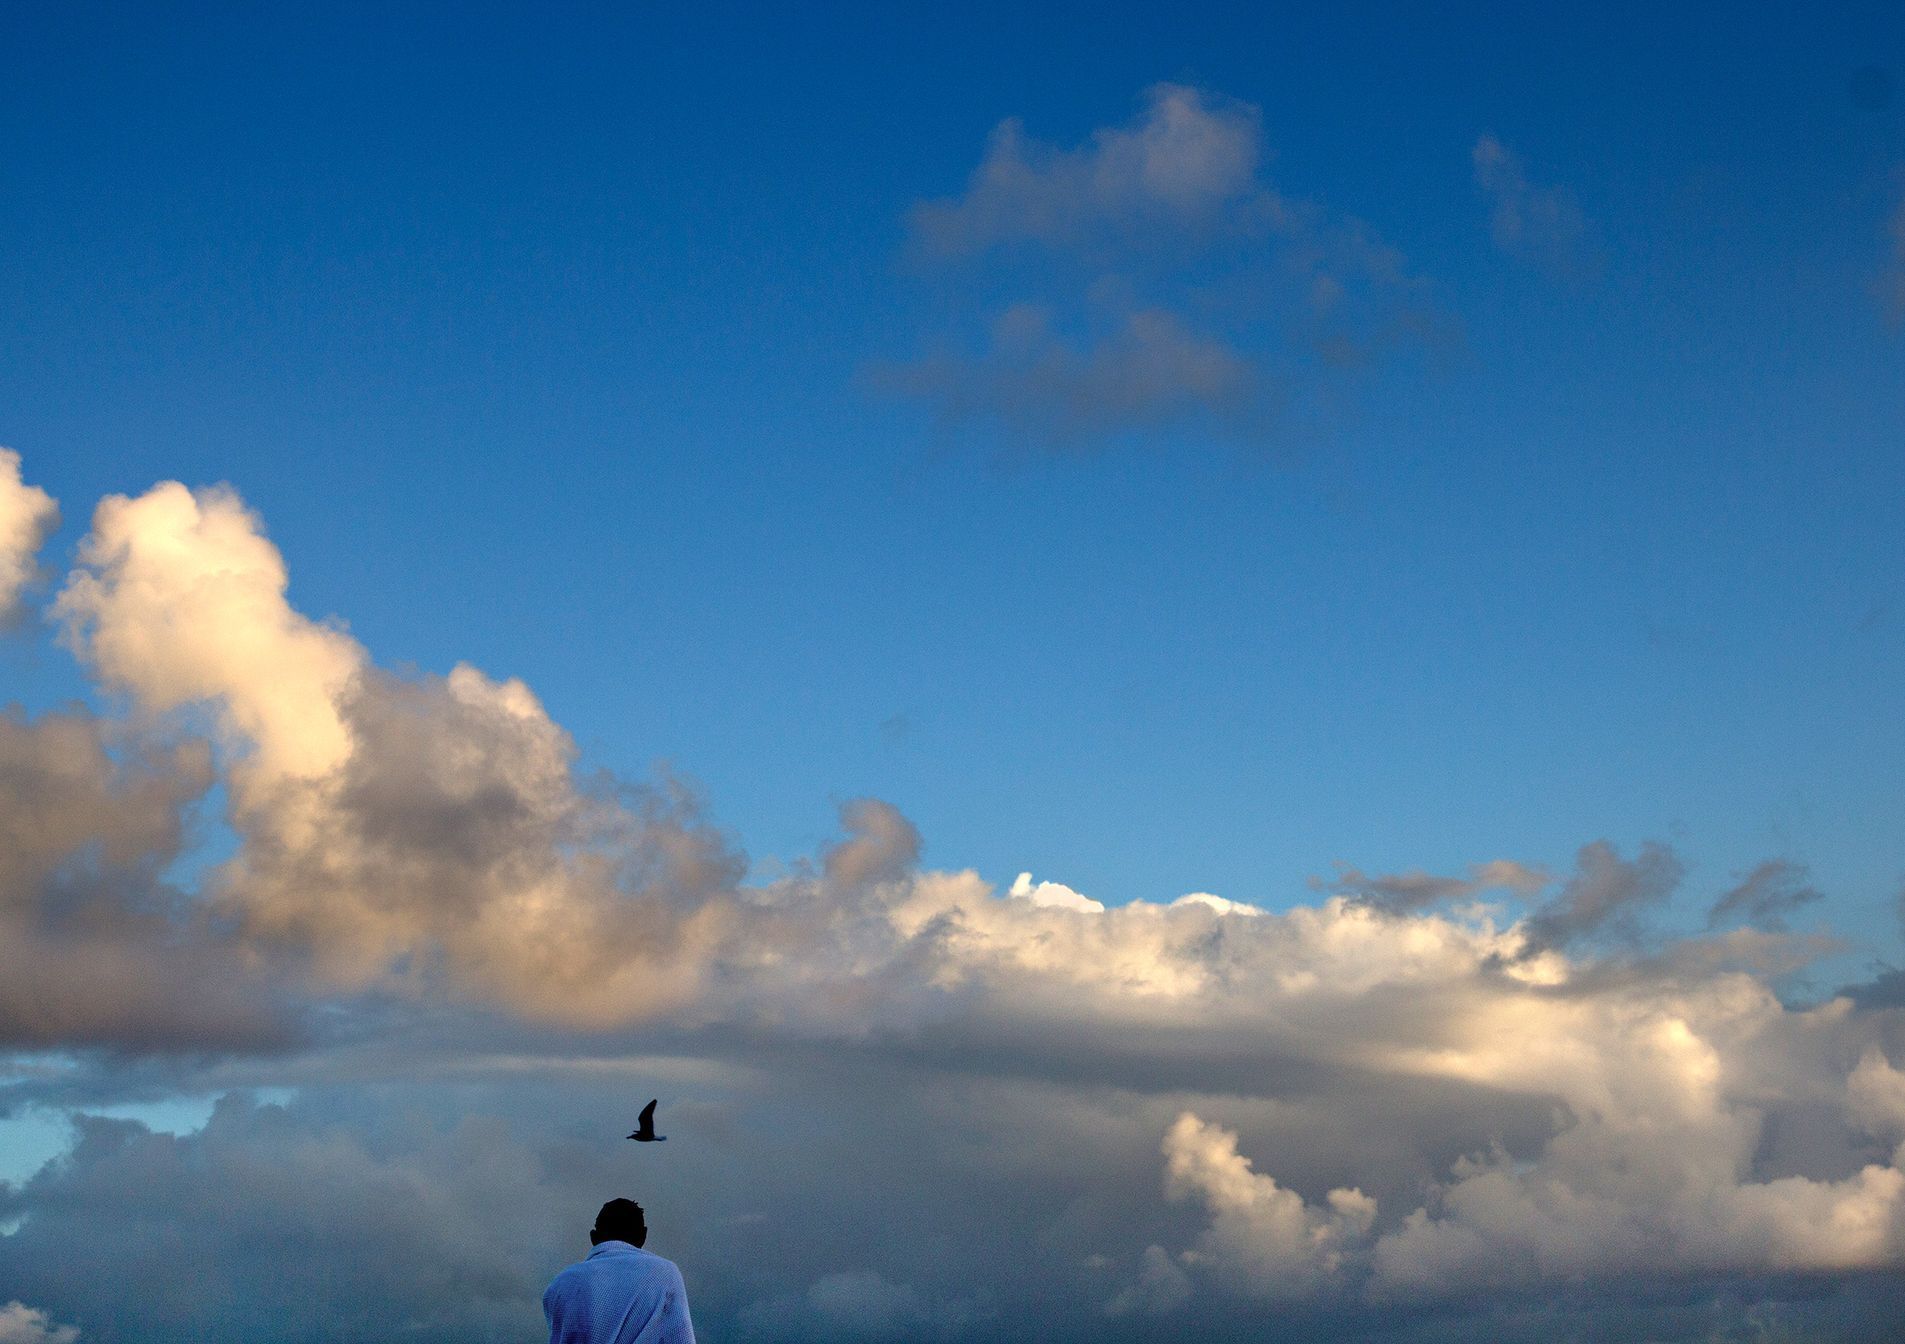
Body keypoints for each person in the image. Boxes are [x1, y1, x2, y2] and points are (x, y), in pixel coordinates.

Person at [544, 1198, 696, 1344]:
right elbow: (680, 1337)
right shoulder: (665, 1273)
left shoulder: (561, 1283)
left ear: (594, 1238)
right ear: (643, 1236)